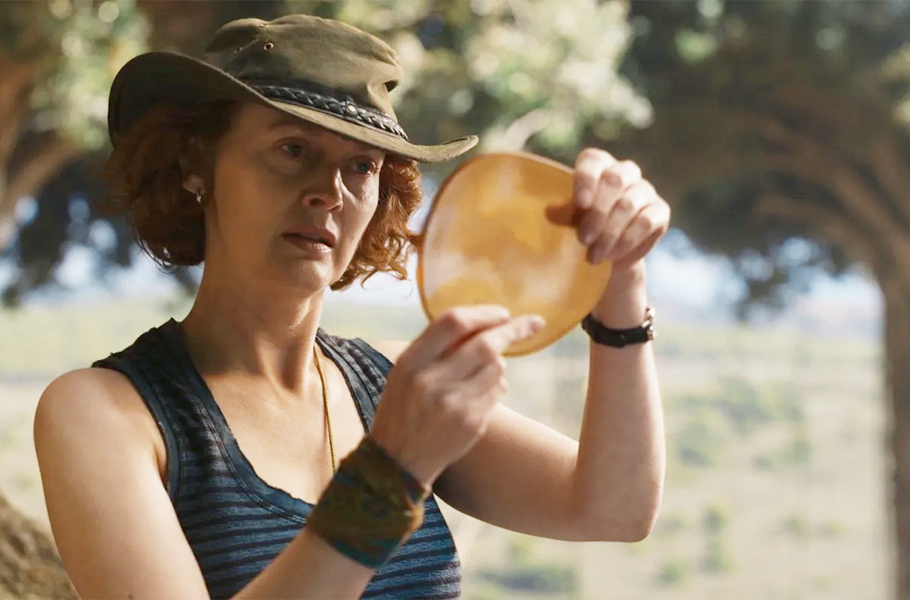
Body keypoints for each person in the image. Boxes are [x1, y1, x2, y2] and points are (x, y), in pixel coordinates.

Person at [33, 13, 669, 600]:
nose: (329, 193)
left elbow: (614, 508)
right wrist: (390, 475)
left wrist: (621, 278)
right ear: (197, 163)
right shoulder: (104, 413)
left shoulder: (390, 387)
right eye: (293, 149)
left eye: (361, 166)